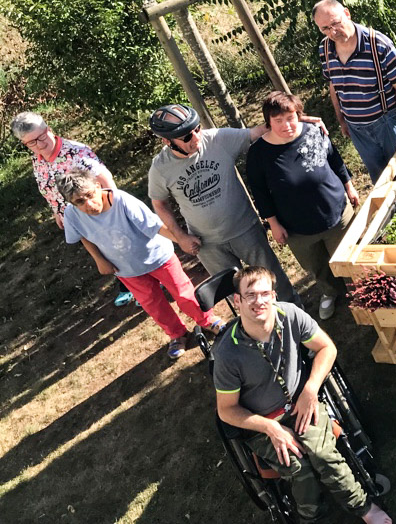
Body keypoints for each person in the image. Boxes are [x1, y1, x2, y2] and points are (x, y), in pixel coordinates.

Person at [214, 266, 392, 524]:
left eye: (265, 293)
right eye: (250, 295)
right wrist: (271, 429)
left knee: (322, 455)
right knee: (298, 469)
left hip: (302, 403)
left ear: (274, 295)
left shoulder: (290, 315)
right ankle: (311, 517)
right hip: (263, 422)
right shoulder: (227, 354)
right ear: (237, 301)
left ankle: (365, 508)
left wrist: (310, 389)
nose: (259, 301)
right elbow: (226, 410)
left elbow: (326, 348)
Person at [56, 168, 224, 360]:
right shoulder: (71, 214)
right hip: (127, 270)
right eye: (79, 202)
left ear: (97, 186)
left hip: (158, 257)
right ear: (70, 203)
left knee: (183, 292)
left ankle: (207, 320)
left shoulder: (121, 201)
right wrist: (99, 259)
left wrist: (182, 239)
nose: (88, 204)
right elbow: (83, 236)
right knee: (153, 305)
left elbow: (154, 225)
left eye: (89, 195)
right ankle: (177, 334)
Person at [147, 104, 302, 306]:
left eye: (197, 129)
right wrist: (181, 236)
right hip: (208, 245)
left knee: (272, 280)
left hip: (246, 229)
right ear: (167, 141)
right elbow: (159, 204)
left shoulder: (218, 139)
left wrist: (298, 121)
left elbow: (257, 132)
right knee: (236, 294)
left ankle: (297, 316)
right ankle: (261, 330)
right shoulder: (160, 169)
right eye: (186, 137)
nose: (196, 137)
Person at [246, 92, 360, 320]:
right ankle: (330, 292)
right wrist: (273, 224)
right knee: (317, 265)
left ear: (299, 115)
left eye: (290, 118)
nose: (286, 125)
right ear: (268, 122)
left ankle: (360, 290)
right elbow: (259, 193)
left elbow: (334, 158)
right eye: (278, 121)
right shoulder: (258, 153)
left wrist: (349, 185)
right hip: (297, 227)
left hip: (337, 212)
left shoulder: (314, 131)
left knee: (349, 257)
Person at [11, 111, 134, 307]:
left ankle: (142, 282)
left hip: (99, 211)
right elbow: (48, 188)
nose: (40, 145)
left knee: (121, 246)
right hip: (77, 218)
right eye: (32, 142)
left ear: (48, 129)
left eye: (42, 136)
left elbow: (105, 179)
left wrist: (115, 209)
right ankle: (128, 284)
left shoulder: (75, 151)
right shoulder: (38, 159)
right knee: (105, 252)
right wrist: (56, 211)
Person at [313, 0, 396, 182]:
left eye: (335, 23)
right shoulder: (325, 48)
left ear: (347, 13)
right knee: (380, 179)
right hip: (357, 130)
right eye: (325, 29)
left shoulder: (378, 44)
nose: (333, 32)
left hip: (387, 123)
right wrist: (342, 120)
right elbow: (333, 85)